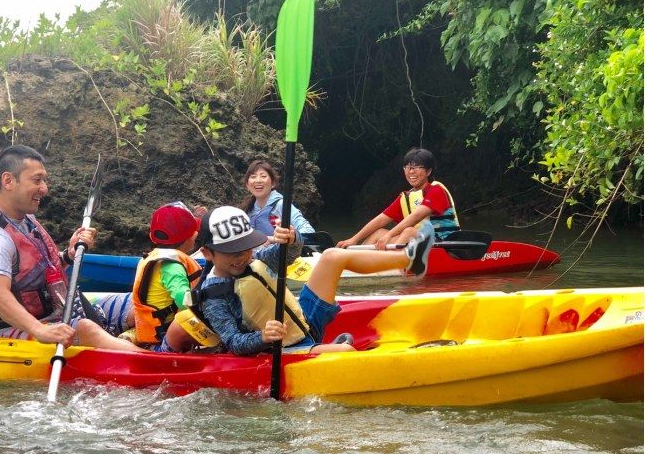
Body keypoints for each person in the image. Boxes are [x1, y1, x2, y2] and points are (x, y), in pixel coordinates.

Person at [0, 144, 143, 352]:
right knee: (86, 328)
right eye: (36, 180)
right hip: (8, 330)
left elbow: (40, 275)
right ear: (8, 181)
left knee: (140, 301)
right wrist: (40, 331)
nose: (44, 188)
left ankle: (141, 341)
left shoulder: (26, 220)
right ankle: (155, 363)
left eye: (44, 180)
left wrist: (69, 255)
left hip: (53, 312)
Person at [194, 205, 434, 356]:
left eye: (244, 248)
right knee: (345, 352)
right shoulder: (213, 295)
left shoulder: (255, 258)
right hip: (282, 347)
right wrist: (263, 337)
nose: (241, 257)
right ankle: (330, 347)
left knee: (331, 256)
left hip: (304, 320)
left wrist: (292, 238)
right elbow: (234, 342)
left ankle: (408, 259)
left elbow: (288, 254)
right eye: (231, 252)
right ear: (207, 253)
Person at [336, 148, 459, 250]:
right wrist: (353, 239)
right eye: (407, 167)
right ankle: (358, 261)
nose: (411, 172)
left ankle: (391, 266)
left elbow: (415, 217)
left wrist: (389, 235)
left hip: (444, 244)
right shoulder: (405, 197)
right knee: (378, 233)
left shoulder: (436, 190)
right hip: (422, 243)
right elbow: (381, 220)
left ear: (428, 171)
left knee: (408, 232)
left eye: (417, 167)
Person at [129, 202, 205, 352]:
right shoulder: (172, 267)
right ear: (191, 237)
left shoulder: (152, 257)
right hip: (162, 336)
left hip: (149, 330)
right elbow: (184, 301)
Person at [242, 159, 316, 244]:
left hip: (280, 255)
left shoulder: (281, 205)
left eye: (263, 176)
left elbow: (309, 231)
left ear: (273, 183)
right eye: (253, 176)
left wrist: (292, 236)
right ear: (247, 185)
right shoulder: (247, 211)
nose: (258, 180)